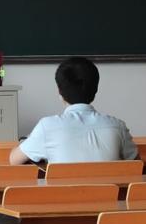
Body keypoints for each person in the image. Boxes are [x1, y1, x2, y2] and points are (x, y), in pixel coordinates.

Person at [9, 57, 138, 164]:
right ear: (95, 90)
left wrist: (26, 140)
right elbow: (137, 164)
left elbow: (14, 160)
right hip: (108, 189)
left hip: (63, 189)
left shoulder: (47, 127)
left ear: (59, 91)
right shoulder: (117, 126)